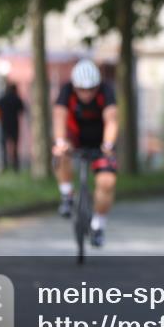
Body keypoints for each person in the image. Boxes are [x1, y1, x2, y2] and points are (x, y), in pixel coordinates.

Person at [52, 59, 119, 248]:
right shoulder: (66, 91)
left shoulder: (106, 92)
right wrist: (60, 141)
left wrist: (108, 144)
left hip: (100, 142)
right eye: (82, 89)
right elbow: (59, 117)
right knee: (60, 153)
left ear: (97, 86)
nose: (87, 94)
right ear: (74, 86)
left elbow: (112, 120)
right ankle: (67, 195)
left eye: (91, 89)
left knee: (107, 182)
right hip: (75, 139)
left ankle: (98, 226)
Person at [0, 81, 26, 172]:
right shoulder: (17, 99)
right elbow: (22, 110)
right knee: (15, 147)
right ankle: (15, 167)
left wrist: (0, 118)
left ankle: (4, 166)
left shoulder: (2, 98)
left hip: (3, 125)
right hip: (14, 125)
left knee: (3, 146)